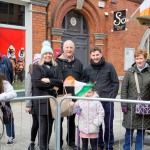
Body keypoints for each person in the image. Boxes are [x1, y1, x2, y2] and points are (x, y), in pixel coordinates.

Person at [84, 47, 119, 150]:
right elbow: (85, 85)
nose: (96, 57)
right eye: (93, 55)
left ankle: (109, 145)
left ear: (101, 54)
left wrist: (111, 97)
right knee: (97, 125)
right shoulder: (87, 69)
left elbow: (116, 83)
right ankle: (99, 145)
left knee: (108, 126)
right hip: (94, 102)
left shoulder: (109, 66)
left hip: (107, 102)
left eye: (97, 55)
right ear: (90, 56)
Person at [31, 40, 63, 150]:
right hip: (41, 102)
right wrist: (52, 86)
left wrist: (49, 80)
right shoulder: (37, 68)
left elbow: (60, 81)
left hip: (52, 101)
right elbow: (37, 83)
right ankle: (42, 147)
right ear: (42, 55)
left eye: (49, 54)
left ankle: (47, 146)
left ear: (52, 55)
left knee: (49, 126)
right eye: (45, 54)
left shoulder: (56, 67)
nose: (48, 56)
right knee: (43, 127)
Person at [56, 40, 85, 150]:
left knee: (71, 121)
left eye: (71, 47)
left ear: (74, 49)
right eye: (67, 47)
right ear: (63, 49)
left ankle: (71, 142)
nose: (69, 49)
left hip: (73, 98)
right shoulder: (57, 62)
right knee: (59, 121)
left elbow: (82, 78)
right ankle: (59, 142)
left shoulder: (78, 63)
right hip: (61, 98)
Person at [121, 49, 150, 150]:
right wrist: (123, 104)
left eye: (141, 58)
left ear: (145, 59)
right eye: (137, 58)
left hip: (144, 108)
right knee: (128, 132)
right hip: (130, 108)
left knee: (141, 133)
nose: (139, 61)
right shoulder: (130, 72)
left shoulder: (149, 72)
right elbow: (124, 88)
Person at [25, 53, 41, 150]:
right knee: (36, 123)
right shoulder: (30, 73)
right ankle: (32, 142)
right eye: (37, 62)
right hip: (34, 103)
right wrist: (28, 104)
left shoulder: (44, 71)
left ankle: (41, 142)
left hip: (43, 102)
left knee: (43, 124)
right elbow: (28, 90)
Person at [0, 53, 16, 144]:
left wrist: (6, 86)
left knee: (7, 114)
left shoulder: (5, 59)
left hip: (4, 91)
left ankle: (10, 136)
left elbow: (10, 73)